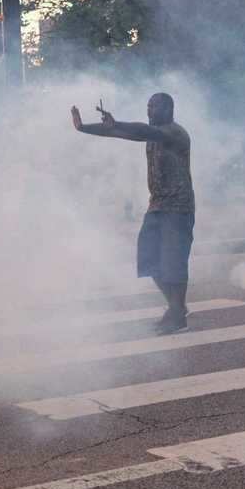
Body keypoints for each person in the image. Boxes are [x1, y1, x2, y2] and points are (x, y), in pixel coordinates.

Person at [71, 93, 195, 333]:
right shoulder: (151, 134)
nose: (149, 111)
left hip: (178, 208)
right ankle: (176, 306)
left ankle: (178, 316)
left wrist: (117, 123)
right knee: (149, 259)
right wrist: (83, 128)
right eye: (147, 106)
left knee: (173, 263)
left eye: (154, 106)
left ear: (168, 108)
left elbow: (138, 131)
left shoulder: (174, 133)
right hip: (157, 205)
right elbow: (118, 132)